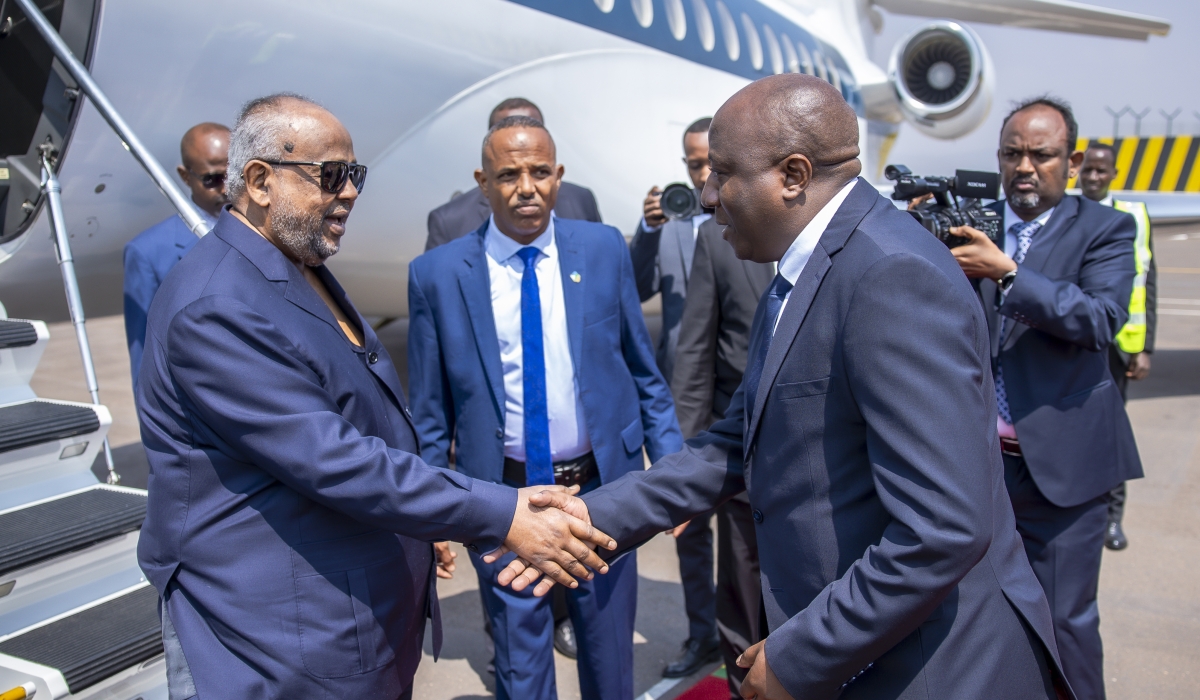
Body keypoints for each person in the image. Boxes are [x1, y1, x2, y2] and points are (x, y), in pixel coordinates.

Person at [510, 74, 1071, 700]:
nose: (707, 197)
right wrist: (594, 513)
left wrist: (803, 656)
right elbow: (737, 439)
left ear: (794, 176)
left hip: (932, 667)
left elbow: (942, 528)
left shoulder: (891, 276)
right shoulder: (807, 268)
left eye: (722, 173)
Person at [135, 94, 614, 699]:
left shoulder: (290, 263)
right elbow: (335, 458)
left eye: (355, 175)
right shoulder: (217, 305)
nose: (351, 192)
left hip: (346, 629)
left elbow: (370, 416)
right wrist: (498, 513)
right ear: (259, 180)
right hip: (279, 649)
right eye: (331, 176)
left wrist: (427, 521)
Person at [407, 115, 682, 700]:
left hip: (601, 496)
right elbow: (430, 415)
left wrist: (675, 471)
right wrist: (430, 516)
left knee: (610, 663)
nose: (525, 187)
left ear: (558, 176)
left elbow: (643, 371)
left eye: (539, 172)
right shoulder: (436, 276)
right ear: (483, 182)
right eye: (508, 175)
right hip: (506, 506)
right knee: (519, 669)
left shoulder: (604, 249)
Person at [948, 96, 1142, 700]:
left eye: (1042, 154)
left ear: (1074, 159)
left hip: (1063, 471)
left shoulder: (1106, 228)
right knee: (978, 618)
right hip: (979, 467)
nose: (1025, 167)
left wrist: (1007, 274)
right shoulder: (971, 225)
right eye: (1012, 154)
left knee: (1064, 622)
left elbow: (1101, 319)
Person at [628, 117, 723, 677]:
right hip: (683, 397)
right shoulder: (671, 222)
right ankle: (702, 633)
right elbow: (635, 289)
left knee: (748, 529)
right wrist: (645, 229)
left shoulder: (750, 219)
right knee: (689, 527)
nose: (703, 172)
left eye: (712, 160)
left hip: (735, 389)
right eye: (693, 163)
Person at [670, 215, 774, 697]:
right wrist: (688, 465)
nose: (709, 193)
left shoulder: (840, 227)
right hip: (741, 451)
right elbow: (696, 349)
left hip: (822, 467)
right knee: (741, 593)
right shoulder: (717, 236)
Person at [1078, 142, 1157, 551]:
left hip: (1119, 346)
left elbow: (1148, 283)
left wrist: (1146, 348)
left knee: (1111, 432)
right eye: (1088, 169)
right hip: (1076, 344)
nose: (1093, 177)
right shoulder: (1065, 215)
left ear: (1113, 174)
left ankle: (1112, 516)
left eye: (1100, 171)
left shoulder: (1135, 216)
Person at [123, 122, 228, 387]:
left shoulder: (270, 229)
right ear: (185, 176)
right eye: (213, 179)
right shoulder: (148, 253)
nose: (227, 188)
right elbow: (145, 361)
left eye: (235, 175)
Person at [424, 97, 602, 251]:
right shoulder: (450, 221)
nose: (526, 189)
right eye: (507, 128)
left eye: (531, 127)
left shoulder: (580, 200)